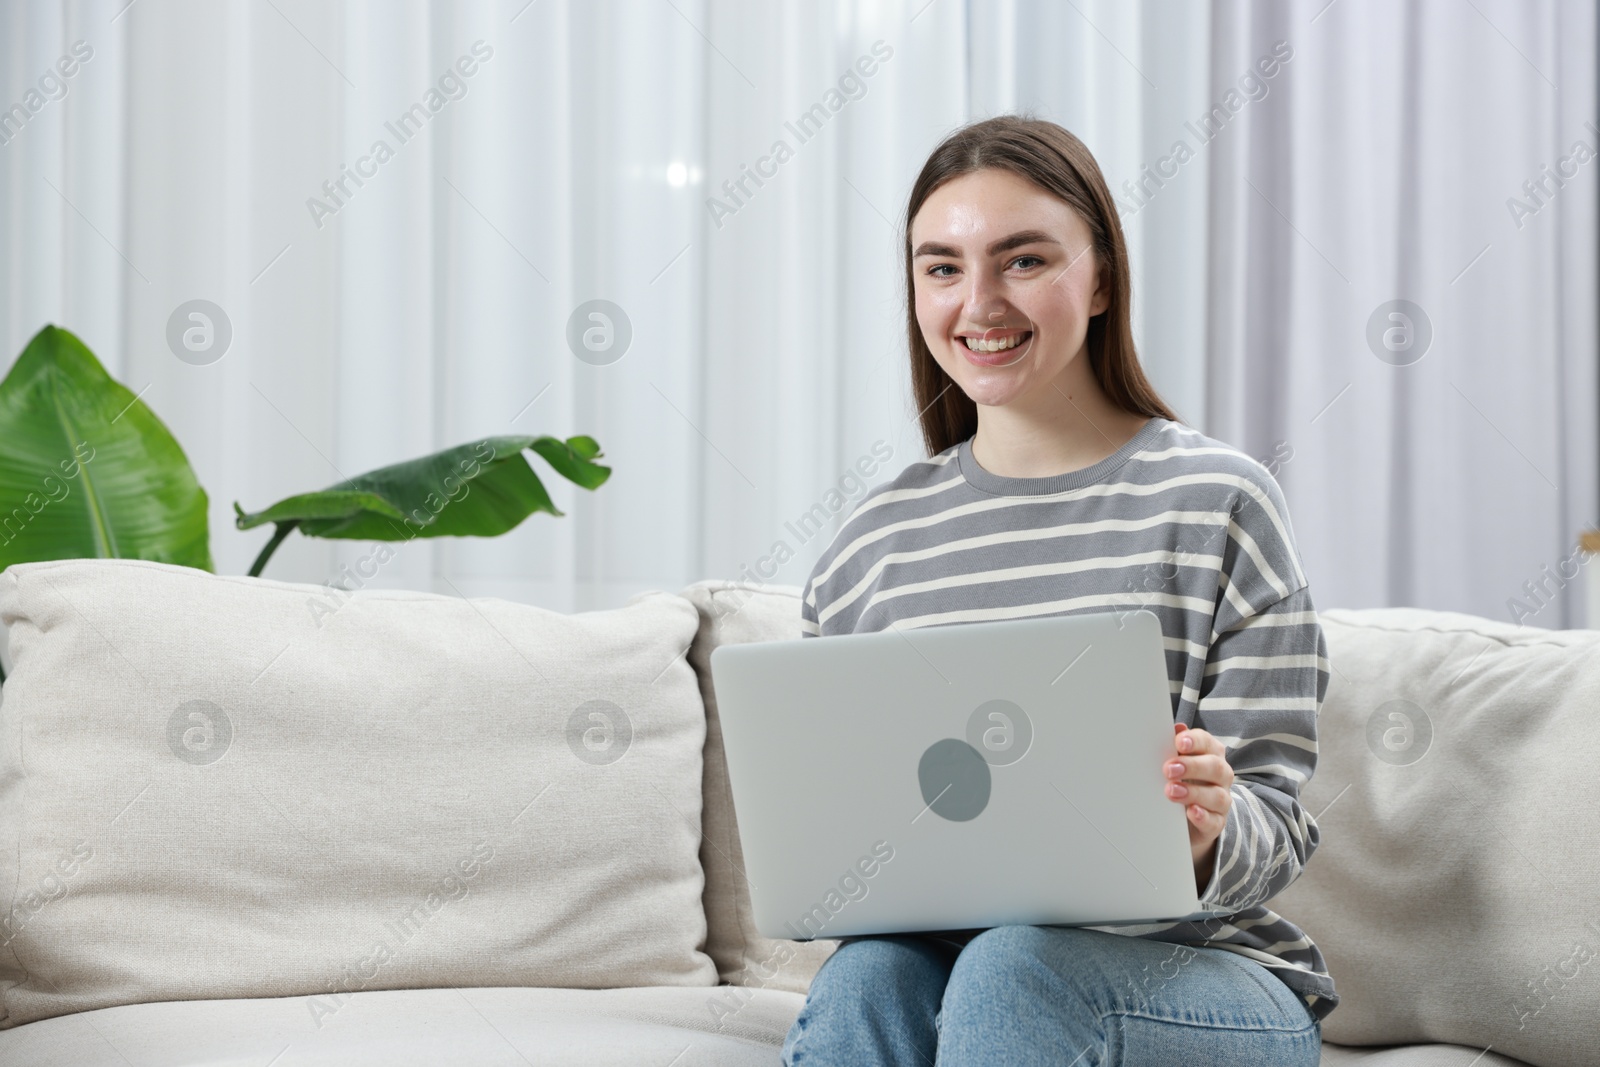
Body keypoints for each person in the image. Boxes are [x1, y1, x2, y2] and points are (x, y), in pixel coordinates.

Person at [782, 114, 1334, 1066]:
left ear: (1105, 277)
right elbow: (840, 849)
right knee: (866, 976)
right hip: (953, 974)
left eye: (1023, 260)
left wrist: (1204, 830)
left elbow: (1275, 828)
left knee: (1013, 967)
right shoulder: (872, 544)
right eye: (942, 267)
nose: (979, 302)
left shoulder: (1218, 503)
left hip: (1203, 982)